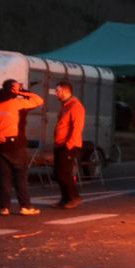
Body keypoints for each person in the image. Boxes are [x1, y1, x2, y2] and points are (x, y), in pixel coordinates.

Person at [0, 79, 45, 216]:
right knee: (20, 176)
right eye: (17, 87)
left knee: (4, 177)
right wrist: (22, 91)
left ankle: (4, 207)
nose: (20, 88)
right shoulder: (18, 103)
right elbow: (39, 100)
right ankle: (25, 206)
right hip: (16, 145)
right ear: (13, 89)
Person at [51, 81, 85, 209]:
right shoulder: (65, 105)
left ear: (65, 91)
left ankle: (74, 196)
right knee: (58, 174)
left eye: (58, 91)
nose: (56, 93)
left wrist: (69, 144)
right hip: (60, 144)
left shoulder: (75, 106)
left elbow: (77, 127)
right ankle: (65, 199)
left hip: (69, 145)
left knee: (63, 173)